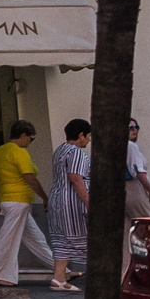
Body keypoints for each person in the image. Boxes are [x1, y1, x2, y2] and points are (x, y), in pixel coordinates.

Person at [0, 120, 66, 291]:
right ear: (23, 136)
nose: (31, 142)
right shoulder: (20, 152)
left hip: (8, 200)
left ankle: (61, 270)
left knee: (36, 238)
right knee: (9, 238)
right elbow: (30, 177)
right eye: (31, 138)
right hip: (19, 201)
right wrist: (45, 197)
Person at [49, 118, 92, 289]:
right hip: (72, 202)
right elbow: (75, 178)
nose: (89, 140)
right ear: (81, 135)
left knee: (62, 240)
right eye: (88, 136)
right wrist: (88, 202)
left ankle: (59, 277)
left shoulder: (60, 150)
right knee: (79, 237)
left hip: (57, 198)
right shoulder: (76, 152)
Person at [126, 119, 150, 222]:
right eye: (131, 128)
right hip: (135, 189)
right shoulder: (131, 146)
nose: (135, 130)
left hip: (122, 192)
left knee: (127, 227)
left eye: (136, 127)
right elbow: (139, 172)